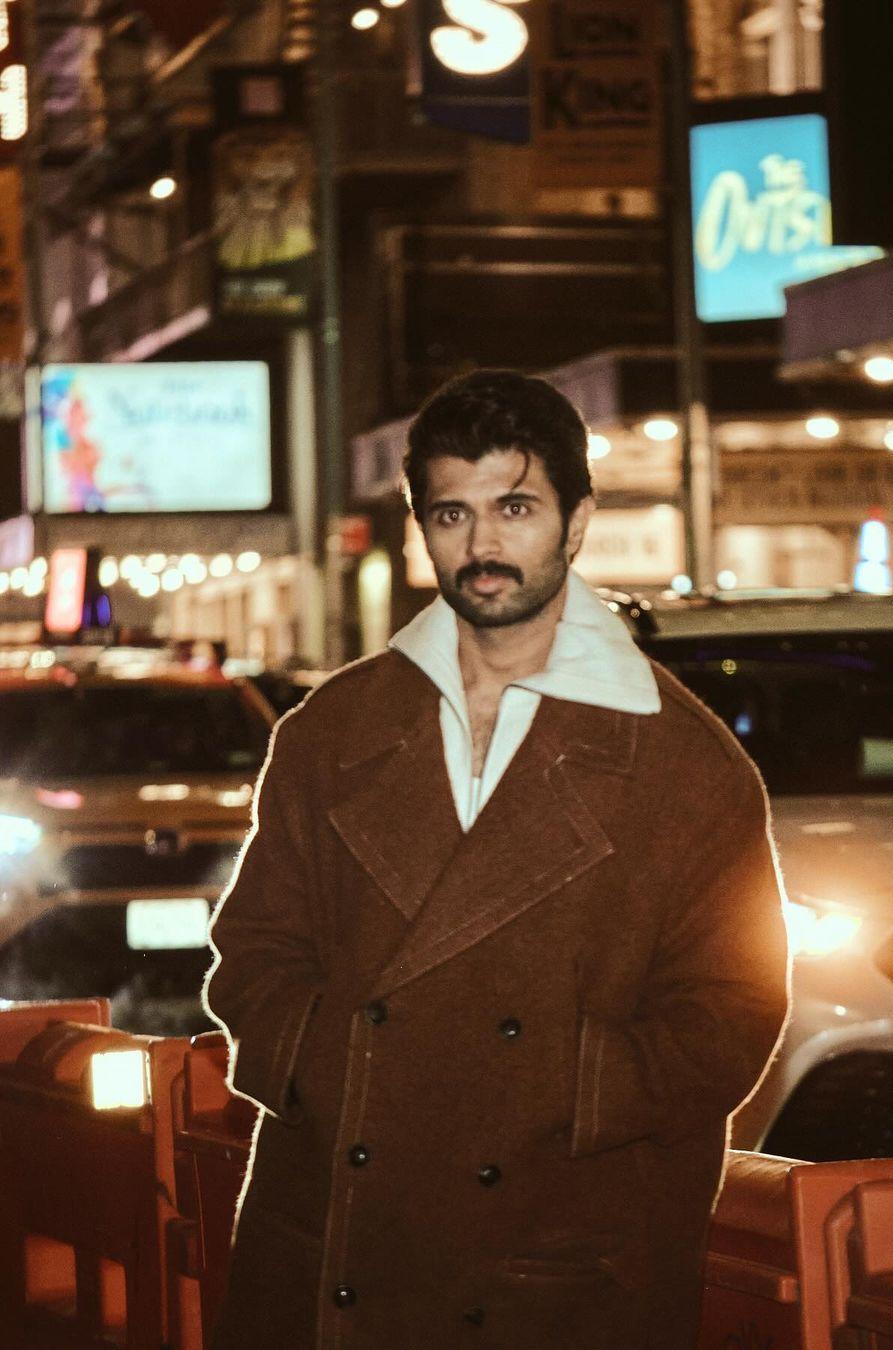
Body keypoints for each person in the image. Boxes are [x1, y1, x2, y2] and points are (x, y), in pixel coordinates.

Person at [203, 368, 790, 1350]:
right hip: (333, 1244)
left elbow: (732, 1011)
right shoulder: (333, 729)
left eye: (514, 507)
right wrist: (326, 1064)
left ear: (577, 521)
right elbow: (254, 953)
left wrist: (556, 1085)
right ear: (419, 528)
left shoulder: (685, 765)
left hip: (557, 1249)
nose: (480, 547)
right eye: (451, 513)